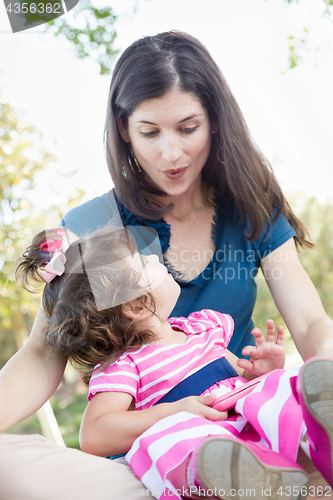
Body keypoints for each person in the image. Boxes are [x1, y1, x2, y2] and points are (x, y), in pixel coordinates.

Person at [0, 30, 332, 499]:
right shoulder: (98, 227)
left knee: (297, 406)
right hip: (154, 453)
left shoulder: (250, 209)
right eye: (150, 132)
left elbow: (312, 321)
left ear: (214, 121)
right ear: (123, 129)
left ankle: (287, 474)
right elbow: (41, 354)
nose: (170, 154)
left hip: (242, 420)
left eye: (187, 128)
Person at [14, 225, 333, 500]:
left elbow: (236, 374)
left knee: (283, 385)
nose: (155, 257)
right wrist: (173, 411)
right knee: (171, 440)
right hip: (204, 439)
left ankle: (319, 436)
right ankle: (245, 478)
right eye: (143, 261)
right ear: (136, 306)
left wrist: (261, 370)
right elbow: (94, 434)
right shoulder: (125, 364)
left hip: (245, 418)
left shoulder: (202, 329)